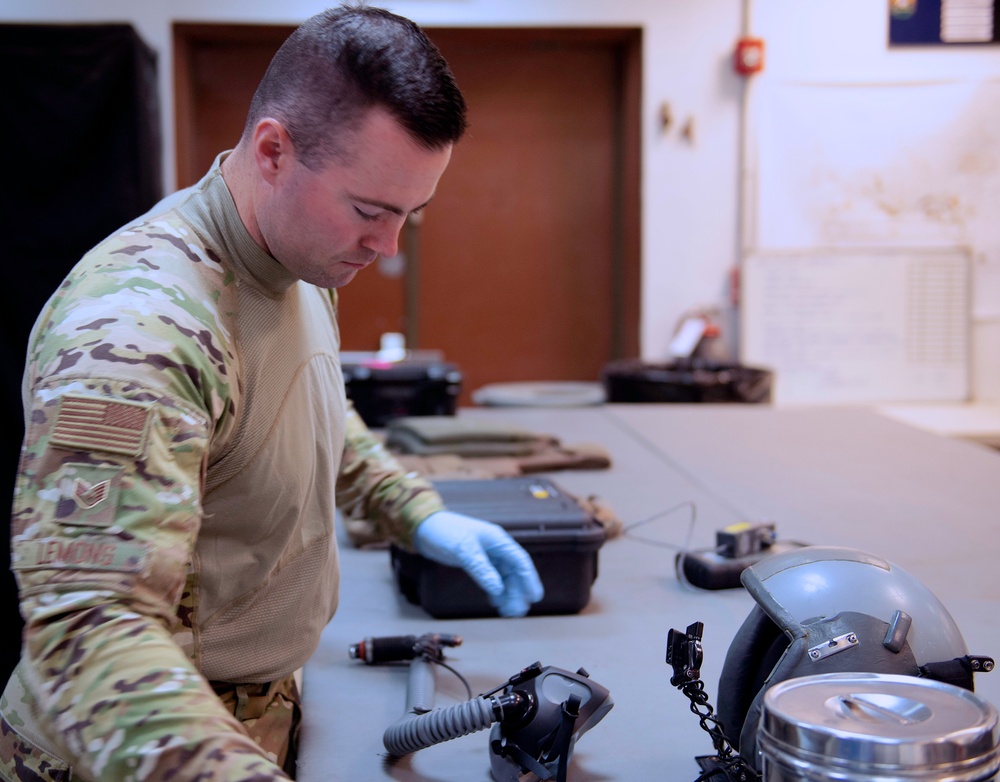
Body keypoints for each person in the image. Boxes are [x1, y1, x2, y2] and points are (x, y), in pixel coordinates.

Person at [0, 5, 543, 781]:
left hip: (250, 712)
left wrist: (412, 510)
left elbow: (307, 404)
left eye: (409, 217)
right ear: (275, 151)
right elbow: (87, 631)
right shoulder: (140, 329)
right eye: (369, 211)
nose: (386, 247)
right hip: (132, 748)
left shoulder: (295, 258)